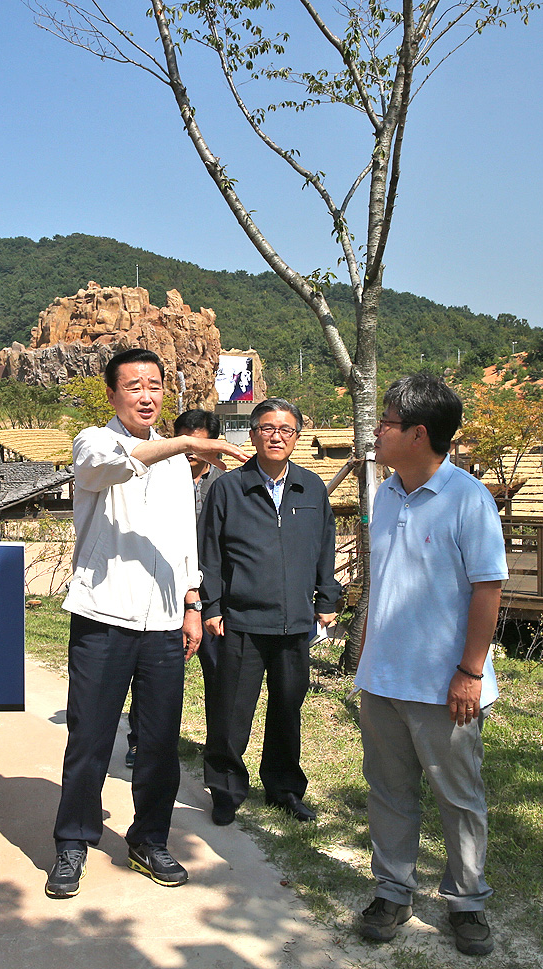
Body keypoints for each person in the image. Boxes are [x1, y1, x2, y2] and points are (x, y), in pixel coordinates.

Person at [45, 348, 245, 899]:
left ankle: (148, 838)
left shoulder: (180, 468)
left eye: (154, 385)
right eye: (133, 385)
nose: (146, 394)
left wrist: (190, 604)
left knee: (158, 741)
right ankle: (72, 841)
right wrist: (182, 441)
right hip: (103, 616)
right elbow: (105, 468)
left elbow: (184, 539)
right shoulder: (95, 441)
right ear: (112, 395)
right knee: (90, 737)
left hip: (162, 623)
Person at [355, 374, 507, 958]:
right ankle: (394, 890)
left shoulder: (468, 498)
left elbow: (488, 587)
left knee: (458, 796)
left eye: (387, 423)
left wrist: (470, 671)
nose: (377, 431)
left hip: (445, 685)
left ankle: (467, 901)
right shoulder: (386, 493)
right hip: (382, 677)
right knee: (389, 791)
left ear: (418, 434)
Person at [197, 398, 341, 827]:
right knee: (231, 711)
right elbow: (210, 553)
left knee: (287, 709)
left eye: (286, 429)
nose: (276, 436)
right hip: (240, 619)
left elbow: (324, 547)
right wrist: (213, 606)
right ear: (253, 434)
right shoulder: (228, 487)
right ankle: (225, 790)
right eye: (267, 428)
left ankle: (283, 788)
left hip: (296, 620)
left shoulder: (311, 487)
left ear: (297, 436)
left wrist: (326, 600)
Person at [125, 408, 221, 770]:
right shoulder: (155, 477)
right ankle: (141, 741)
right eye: (186, 440)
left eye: (200, 441)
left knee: (218, 675)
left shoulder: (225, 484)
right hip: (163, 590)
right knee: (152, 673)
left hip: (210, 597)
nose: (192, 451)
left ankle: (215, 746)